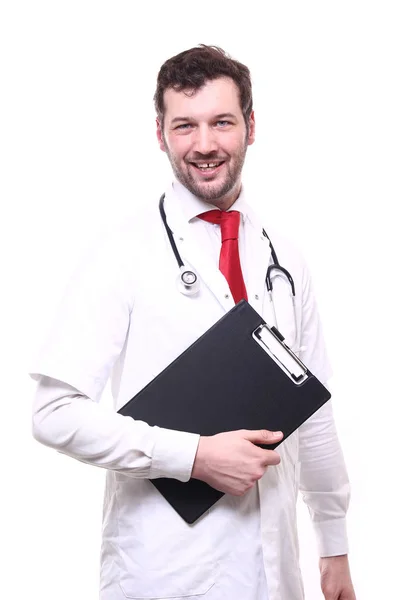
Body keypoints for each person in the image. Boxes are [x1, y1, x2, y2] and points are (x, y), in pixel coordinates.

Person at [31, 45, 356, 600]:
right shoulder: (121, 251)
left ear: (251, 126)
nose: (204, 145)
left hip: (274, 573)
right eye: (185, 125)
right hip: (165, 571)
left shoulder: (283, 256)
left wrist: (334, 541)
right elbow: (53, 415)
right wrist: (195, 457)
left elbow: (315, 411)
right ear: (160, 133)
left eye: (221, 122)